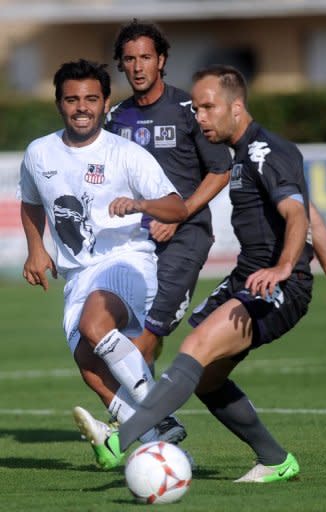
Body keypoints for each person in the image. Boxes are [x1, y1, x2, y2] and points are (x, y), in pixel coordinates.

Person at [112, 64, 326, 483]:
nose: (200, 117)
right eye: (197, 109)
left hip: (280, 285)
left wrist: (285, 267)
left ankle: (118, 442)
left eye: (208, 108)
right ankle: (275, 460)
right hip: (249, 278)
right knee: (207, 378)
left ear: (237, 107)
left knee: (195, 346)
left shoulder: (267, 151)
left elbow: (296, 214)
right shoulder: (245, 155)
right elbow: (314, 213)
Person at [72, 19, 231, 464]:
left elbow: (219, 169)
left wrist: (179, 217)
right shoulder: (117, 118)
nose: (138, 66)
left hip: (185, 239)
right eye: (130, 59)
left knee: (144, 338)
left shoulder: (187, 109)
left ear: (161, 60)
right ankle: (154, 425)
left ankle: (138, 429)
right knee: (114, 341)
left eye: (146, 57)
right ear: (121, 66)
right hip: (134, 245)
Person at [18, 58, 189, 470]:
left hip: (126, 261)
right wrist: (36, 249)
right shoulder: (39, 152)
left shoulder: (125, 153)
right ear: (59, 103)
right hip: (79, 273)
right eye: (72, 99)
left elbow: (176, 207)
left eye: (91, 99)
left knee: (95, 327)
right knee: (89, 367)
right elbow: (30, 201)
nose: (82, 107)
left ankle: (157, 412)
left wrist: (141, 204)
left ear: (105, 102)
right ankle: (156, 446)